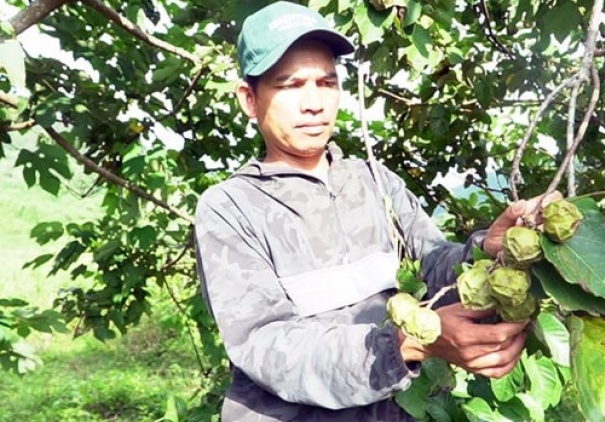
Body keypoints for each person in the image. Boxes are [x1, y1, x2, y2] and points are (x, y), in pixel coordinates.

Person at [194, 2, 558, 421]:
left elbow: (433, 269)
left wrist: (485, 249)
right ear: (249, 98)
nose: (313, 103)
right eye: (290, 85)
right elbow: (266, 345)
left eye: (326, 82)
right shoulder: (231, 208)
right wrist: (410, 344)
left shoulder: (375, 181)